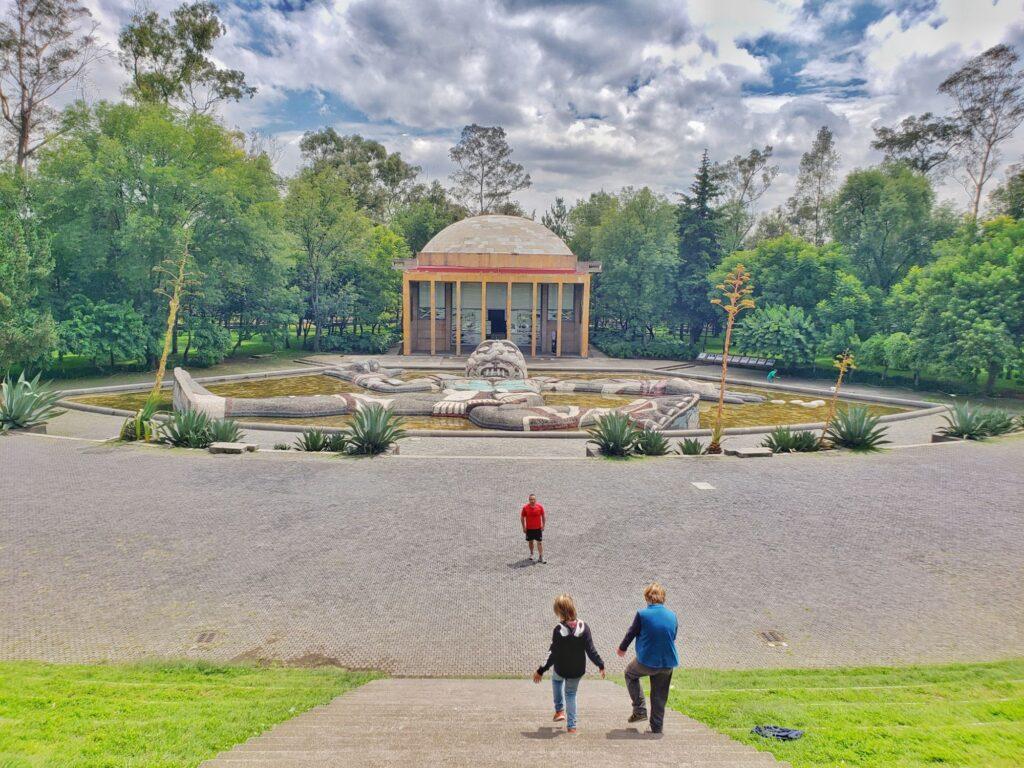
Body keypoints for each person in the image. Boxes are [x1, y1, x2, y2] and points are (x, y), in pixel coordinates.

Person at [533, 594, 605, 734]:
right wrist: (600, 664)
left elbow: (552, 654)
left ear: (559, 612)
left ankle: (559, 710)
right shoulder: (584, 627)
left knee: (556, 681)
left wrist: (541, 670)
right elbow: (591, 651)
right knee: (571, 694)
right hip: (577, 670)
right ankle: (571, 726)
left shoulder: (559, 629)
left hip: (561, 668)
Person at [616, 582, 679, 734]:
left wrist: (622, 648)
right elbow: (673, 636)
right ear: (663, 598)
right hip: (668, 662)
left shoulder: (642, 614)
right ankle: (656, 728)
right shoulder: (673, 615)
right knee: (659, 694)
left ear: (647, 598)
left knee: (630, 673)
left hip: (647, 661)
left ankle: (640, 710)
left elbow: (631, 633)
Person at [520, 493, 545, 563]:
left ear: (535, 500)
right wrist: (524, 527)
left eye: (533, 499)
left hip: (538, 528)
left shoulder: (540, 507)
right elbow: (522, 518)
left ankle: (541, 556)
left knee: (539, 542)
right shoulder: (525, 508)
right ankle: (531, 554)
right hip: (529, 529)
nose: (532, 501)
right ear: (529, 500)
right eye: (531, 499)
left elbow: (543, 516)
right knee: (530, 542)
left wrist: (543, 525)